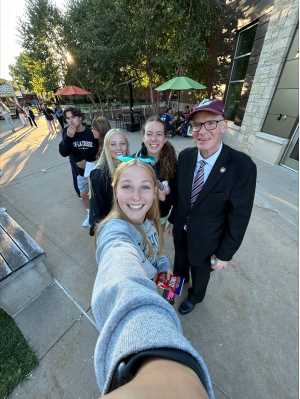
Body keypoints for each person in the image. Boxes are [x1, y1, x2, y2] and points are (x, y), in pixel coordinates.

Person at [91, 159, 215, 399]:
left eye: (145, 187)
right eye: (127, 186)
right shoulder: (114, 231)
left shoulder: (148, 220)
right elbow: (121, 270)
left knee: (171, 295)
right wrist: (155, 355)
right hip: (145, 291)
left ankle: (168, 302)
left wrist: (165, 267)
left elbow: (158, 251)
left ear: (155, 190)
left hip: (159, 282)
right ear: (115, 189)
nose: (136, 196)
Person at [167, 99, 257, 315]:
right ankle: (173, 289)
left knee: (200, 272)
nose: (202, 131)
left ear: (224, 125)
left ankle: (195, 297)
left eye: (210, 123)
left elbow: (240, 215)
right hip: (181, 230)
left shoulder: (242, 166)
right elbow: (180, 195)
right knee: (179, 262)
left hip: (208, 239)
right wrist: (172, 219)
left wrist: (225, 254)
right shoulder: (186, 156)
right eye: (197, 125)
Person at [59, 107, 99, 226]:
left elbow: (95, 151)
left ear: (80, 118)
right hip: (79, 171)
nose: (70, 121)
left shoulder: (90, 132)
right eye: (67, 118)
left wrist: (87, 159)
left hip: (92, 168)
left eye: (73, 117)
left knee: (96, 193)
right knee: (83, 194)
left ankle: (98, 213)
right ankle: (89, 214)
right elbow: (63, 152)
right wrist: (68, 138)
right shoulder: (67, 132)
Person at [133, 115, 177, 225]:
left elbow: (177, 196)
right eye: (149, 134)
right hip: (138, 216)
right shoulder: (133, 162)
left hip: (160, 217)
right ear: (143, 137)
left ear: (165, 138)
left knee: (156, 241)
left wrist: (164, 198)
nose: (153, 139)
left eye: (159, 134)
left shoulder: (173, 163)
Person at [89, 128, 129, 235]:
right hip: (114, 228)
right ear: (107, 147)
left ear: (127, 146)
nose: (118, 148)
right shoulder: (99, 175)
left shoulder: (130, 166)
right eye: (113, 144)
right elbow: (98, 209)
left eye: (122, 143)